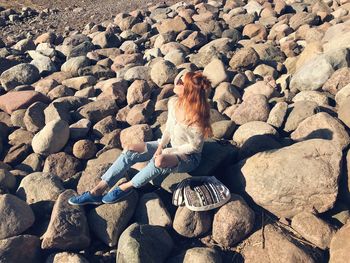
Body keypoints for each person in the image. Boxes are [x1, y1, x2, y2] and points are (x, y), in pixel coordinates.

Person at [68, 71, 213, 205]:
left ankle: (126, 187)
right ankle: (97, 191)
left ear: (189, 91)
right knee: (130, 150)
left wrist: (166, 152)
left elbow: (194, 147)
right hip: (169, 145)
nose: (177, 83)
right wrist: (161, 146)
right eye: (179, 80)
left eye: (181, 83)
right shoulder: (174, 103)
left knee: (159, 161)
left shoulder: (198, 117)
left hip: (188, 156)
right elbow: (168, 129)